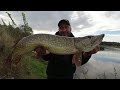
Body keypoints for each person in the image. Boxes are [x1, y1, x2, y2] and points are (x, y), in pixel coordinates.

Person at [34, 19, 100, 79]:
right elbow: (47, 57)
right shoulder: (51, 40)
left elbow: (79, 62)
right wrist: (43, 53)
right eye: (61, 28)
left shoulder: (77, 43)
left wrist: (87, 55)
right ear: (58, 29)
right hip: (51, 75)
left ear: (70, 28)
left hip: (68, 76)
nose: (64, 30)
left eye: (66, 27)